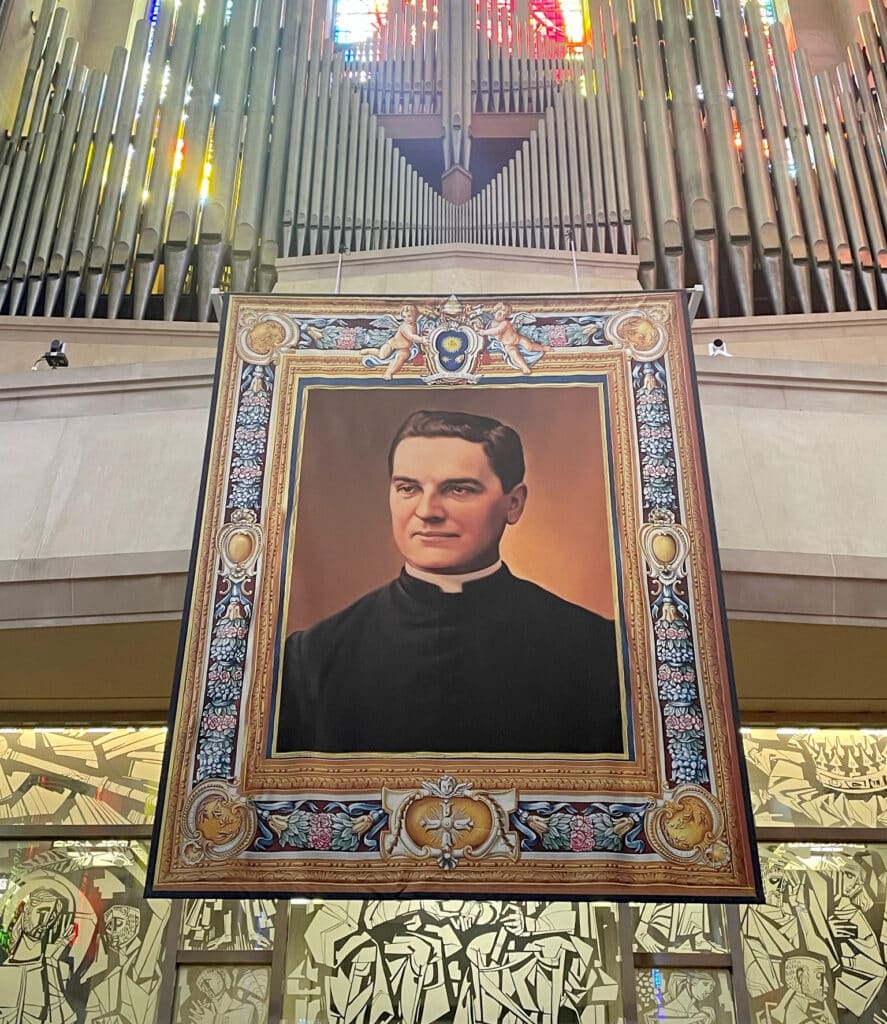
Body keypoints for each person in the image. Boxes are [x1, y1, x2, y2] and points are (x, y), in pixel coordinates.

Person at [277, 409, 623, 755]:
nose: (428, 511)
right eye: (408, 488)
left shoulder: (599, 651)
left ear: (513, 504)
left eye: (458, 489)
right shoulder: (312, 658)